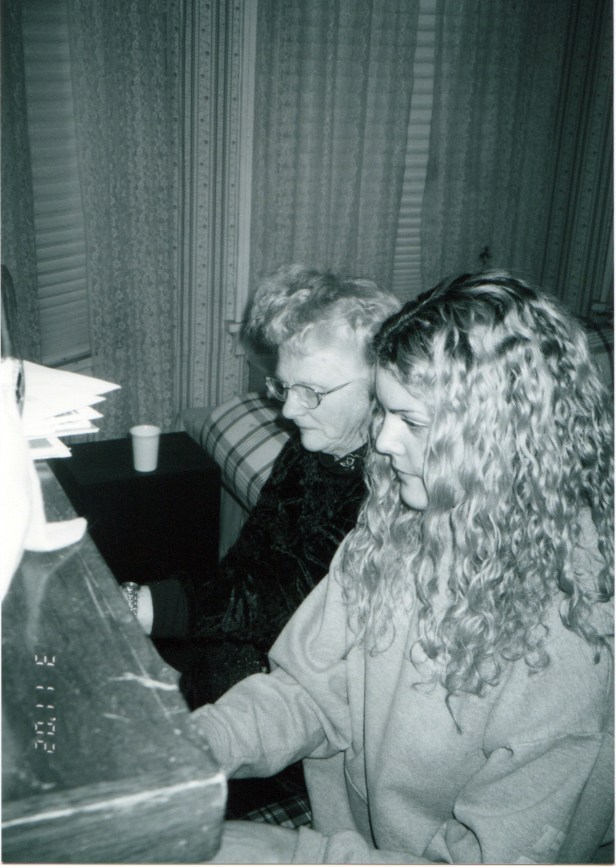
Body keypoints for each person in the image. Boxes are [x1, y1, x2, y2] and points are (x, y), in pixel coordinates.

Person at [188, 271, 614, 864]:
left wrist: (290, 854)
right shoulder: (397, 525)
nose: (382, 441)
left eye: (411, 422)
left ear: (502, 436)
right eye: (384, 412)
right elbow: (309, 689)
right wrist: (195, 744)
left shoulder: (572, 635)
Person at [123, 263, 400, 710]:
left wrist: (141, 605)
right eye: (284, 386)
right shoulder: (310, 450)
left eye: (311, 390)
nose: (288, 410)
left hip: (282, 713)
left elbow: (282, 597)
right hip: (215, 674)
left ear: (380, 385)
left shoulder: (388, 489)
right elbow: (246, 564)